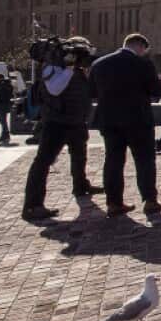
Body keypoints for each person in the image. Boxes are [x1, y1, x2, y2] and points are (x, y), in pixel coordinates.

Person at [22, 39, 101, 220]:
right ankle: (32, 205)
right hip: (56, 123)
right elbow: (55, 89)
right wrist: (70, 66)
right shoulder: (53, 67)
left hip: (75, 121)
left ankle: (81, 185)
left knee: (79, 156)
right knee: (43, 162)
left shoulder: (75, 70)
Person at [90, 33, 161, 216]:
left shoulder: (99, 63)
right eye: (144, 50)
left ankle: (114, 203)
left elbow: (91, 92)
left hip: (109, 120)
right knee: (145, 160)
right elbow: (156, 90)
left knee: (113, 161)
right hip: (138, 119)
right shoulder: (143, 64)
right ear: (140, 46)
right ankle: (149, 200)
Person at [0, 70, 14, 147]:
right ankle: (4, 135)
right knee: (3, 121)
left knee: (2, 121)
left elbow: (2, 95)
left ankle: (5, 136)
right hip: (4, 105)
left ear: (0, 78)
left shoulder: (3, 85)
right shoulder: (6, 84)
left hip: (1, 105)